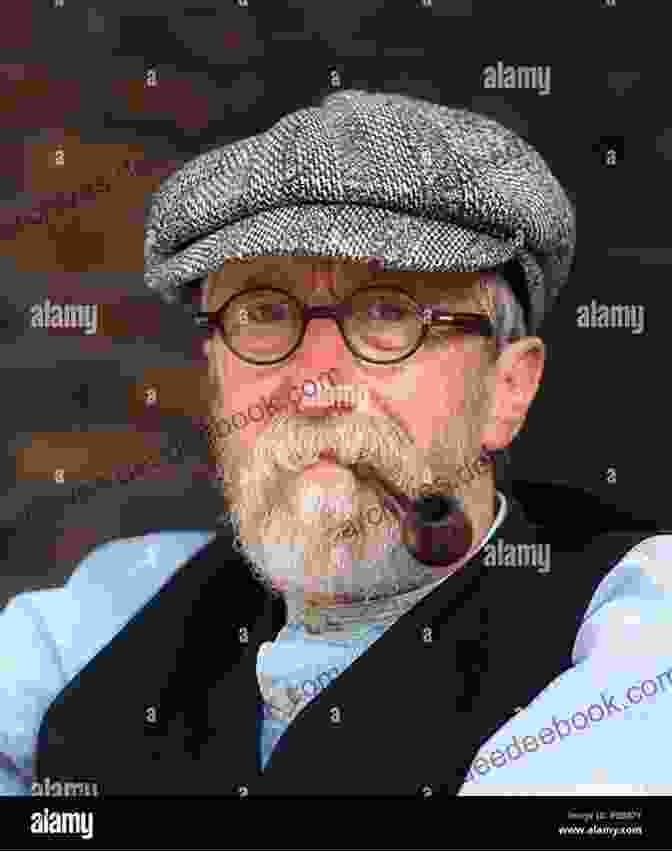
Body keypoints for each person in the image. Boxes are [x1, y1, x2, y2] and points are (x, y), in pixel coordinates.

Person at [2, 90, 670, 798]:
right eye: (262, 313)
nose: (312, 390)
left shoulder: (637, 621)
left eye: (389, 312)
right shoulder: (109, 611)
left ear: (507, 388)